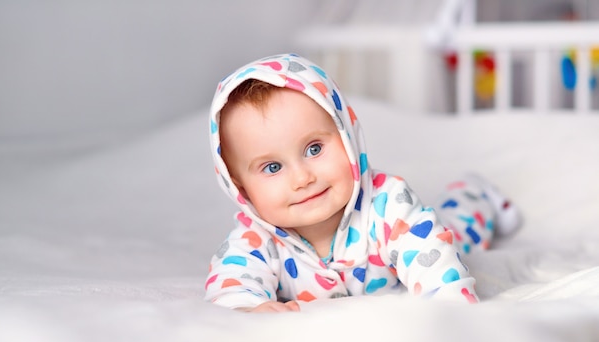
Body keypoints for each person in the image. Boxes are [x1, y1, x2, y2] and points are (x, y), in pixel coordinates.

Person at [205, 53, 521, 312]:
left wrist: (450, 310)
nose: (302, 179)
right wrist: (249, 309)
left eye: (314, 149)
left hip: (431, 231)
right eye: (272, 167)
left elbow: (437, 270)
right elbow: (231, 287)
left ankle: (475, 193)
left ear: (347, 136)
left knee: (459, 230)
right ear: (241, 188)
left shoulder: (387, 202)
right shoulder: (254, 237)